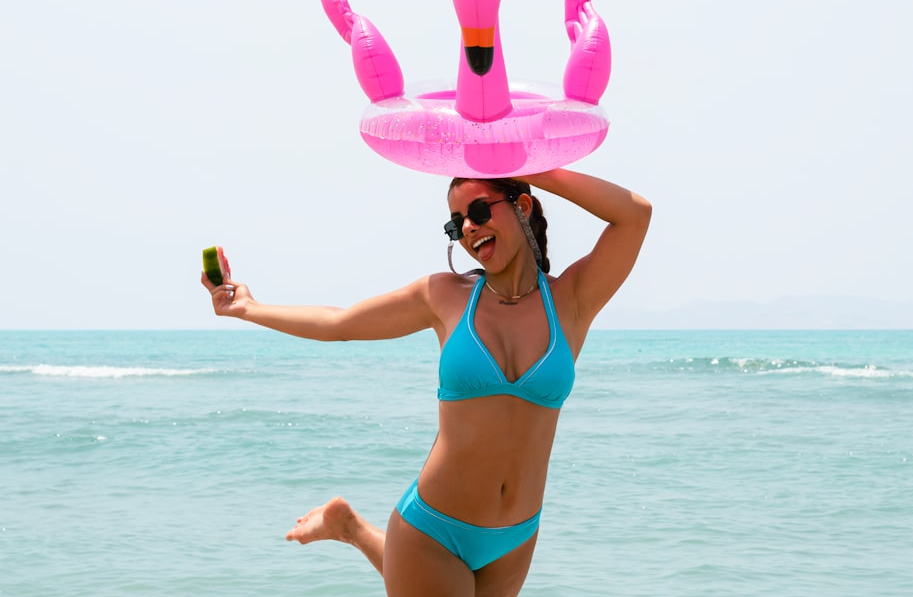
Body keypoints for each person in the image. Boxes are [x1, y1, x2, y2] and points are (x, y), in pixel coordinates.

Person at [202, 168, 650, 596]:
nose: (470, 229)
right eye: (458, 224)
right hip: (435, 526)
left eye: (479, 212)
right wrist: (249, 308)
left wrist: (531, 166)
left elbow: (635, 214)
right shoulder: (444, 296)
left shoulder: (571, 299)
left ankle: (350, 528)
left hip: (515, 537)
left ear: (524, 206)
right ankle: (356, 531)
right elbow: (338, 323)